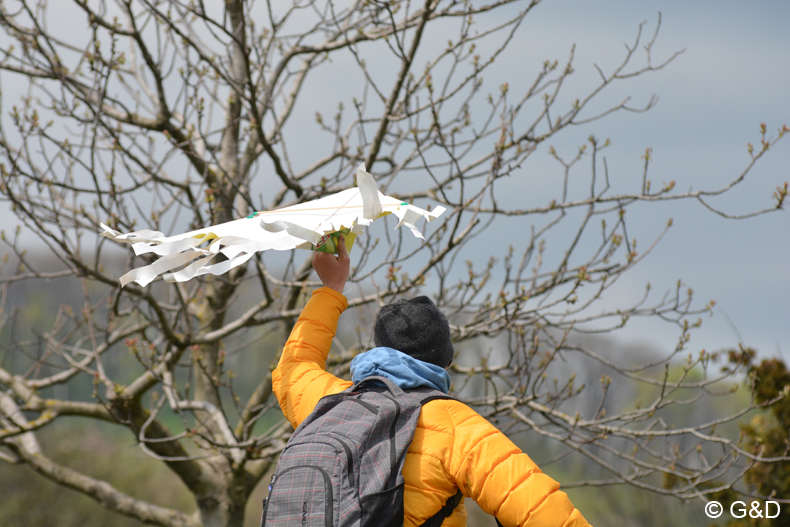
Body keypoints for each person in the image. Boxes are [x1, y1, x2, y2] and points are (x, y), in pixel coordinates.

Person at [272, 237, 591, 527]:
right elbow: (550, 517)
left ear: (379, 349)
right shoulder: (458, 428)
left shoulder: (328, 403)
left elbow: (293, 367)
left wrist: (331, 285)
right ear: (446, 363)